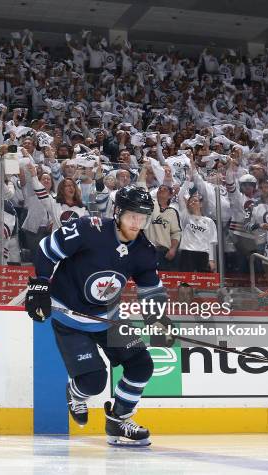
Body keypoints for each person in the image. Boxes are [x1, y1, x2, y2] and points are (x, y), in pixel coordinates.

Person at [25, 185, 174, 446]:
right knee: (94, 382)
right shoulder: (87, 229)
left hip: (109, 318)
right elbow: (47, 250)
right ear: (118, 212)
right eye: (132, 216)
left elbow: (150, 287)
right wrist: (39, 284)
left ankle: (119, 419)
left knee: (142, 365)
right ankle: (75, 392)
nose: (137, 223)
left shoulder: (144, 250)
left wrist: (158, 319)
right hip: (70, 319)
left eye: (143, 217)